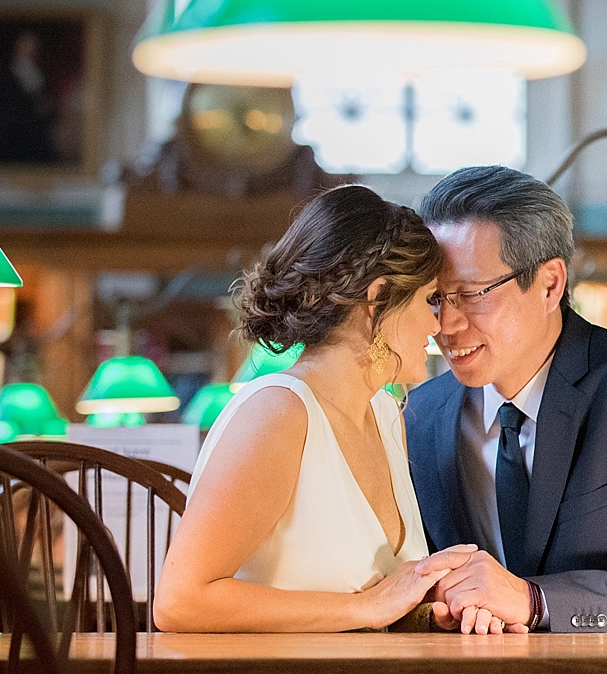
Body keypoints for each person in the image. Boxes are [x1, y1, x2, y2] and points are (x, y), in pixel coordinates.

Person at [404, 166, 607, 632]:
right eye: (435, 299)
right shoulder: (422, 413)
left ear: (550, 284)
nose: (446, 325)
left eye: (470, 295)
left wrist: (535, 601)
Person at [154, 184, 494, 633]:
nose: (439, 324)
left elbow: (371, 598)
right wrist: (368, 608)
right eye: (429, 300)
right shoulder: (277, 414)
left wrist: (425, 606)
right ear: (377, 300)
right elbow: (180, 603)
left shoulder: (388, 413)